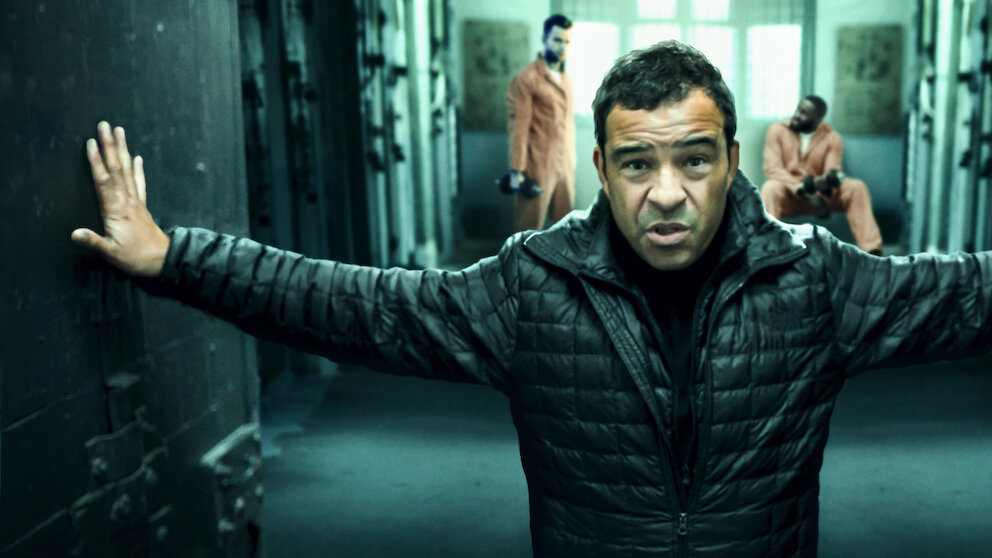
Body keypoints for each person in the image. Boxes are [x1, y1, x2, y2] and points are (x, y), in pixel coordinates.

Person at [72, 41, 992, 557]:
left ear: (731, 162)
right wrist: (176, 258)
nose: (666, 194)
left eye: (693, 160)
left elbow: (966, 295)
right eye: (637, 163)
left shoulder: (813, 279)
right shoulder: (534, 284)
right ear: (601, 168)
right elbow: (360, 306)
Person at [760, 95, 884, 255]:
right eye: (798, 109)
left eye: (804, 113)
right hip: (791, 196)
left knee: (856, 187)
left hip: (823, 199)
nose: (797, 115)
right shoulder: (777, 130)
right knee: (771, 187)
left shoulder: (832, 138)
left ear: (817, 119)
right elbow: (772, 169)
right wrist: (807, 191)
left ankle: (873, 251)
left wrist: (820, 188)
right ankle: (766, 250)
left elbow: (831, 173)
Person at [504, 14, 576, 231]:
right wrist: (516, 171)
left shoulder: (566, 79)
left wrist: (571, 161)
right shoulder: (526, 79)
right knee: (529, 229)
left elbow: (567, 124)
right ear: (544, 39)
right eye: (557, 40)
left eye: (567, 42)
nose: (562, 47)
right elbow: (519, 128)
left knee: (565, 228)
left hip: (564, 164)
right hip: (537, 164)